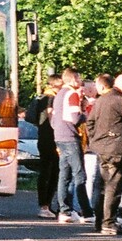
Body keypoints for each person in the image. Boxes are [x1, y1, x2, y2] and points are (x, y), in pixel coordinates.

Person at [84, 74, 122, 235]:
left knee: (103, 186)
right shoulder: (121, 100)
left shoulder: (102, 99)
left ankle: (100, 221)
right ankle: (108, 223)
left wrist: (97, 139)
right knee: (113, 186)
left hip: (102, 147)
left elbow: (90, 121)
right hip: (116, 148)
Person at [51, 67, 91, 223]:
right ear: (73, 79)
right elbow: (75, 118)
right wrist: (86, 113)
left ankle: (65, 210)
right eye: (79, 78)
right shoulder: (72, 94)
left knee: (64, 175)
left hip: (59, 136)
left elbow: (54, 119)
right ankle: (87, 212)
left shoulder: (59, 94)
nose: (80, 81)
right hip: (70, 137)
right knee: (79, 175)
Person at [29, 73, 60, 216]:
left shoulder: (41, 97)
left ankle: (44, 204)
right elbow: (50, 115)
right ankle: (45, 205)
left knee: (45, 171)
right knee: (52, 172)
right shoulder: (52, 98)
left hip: (43, 137)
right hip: (51, 139)